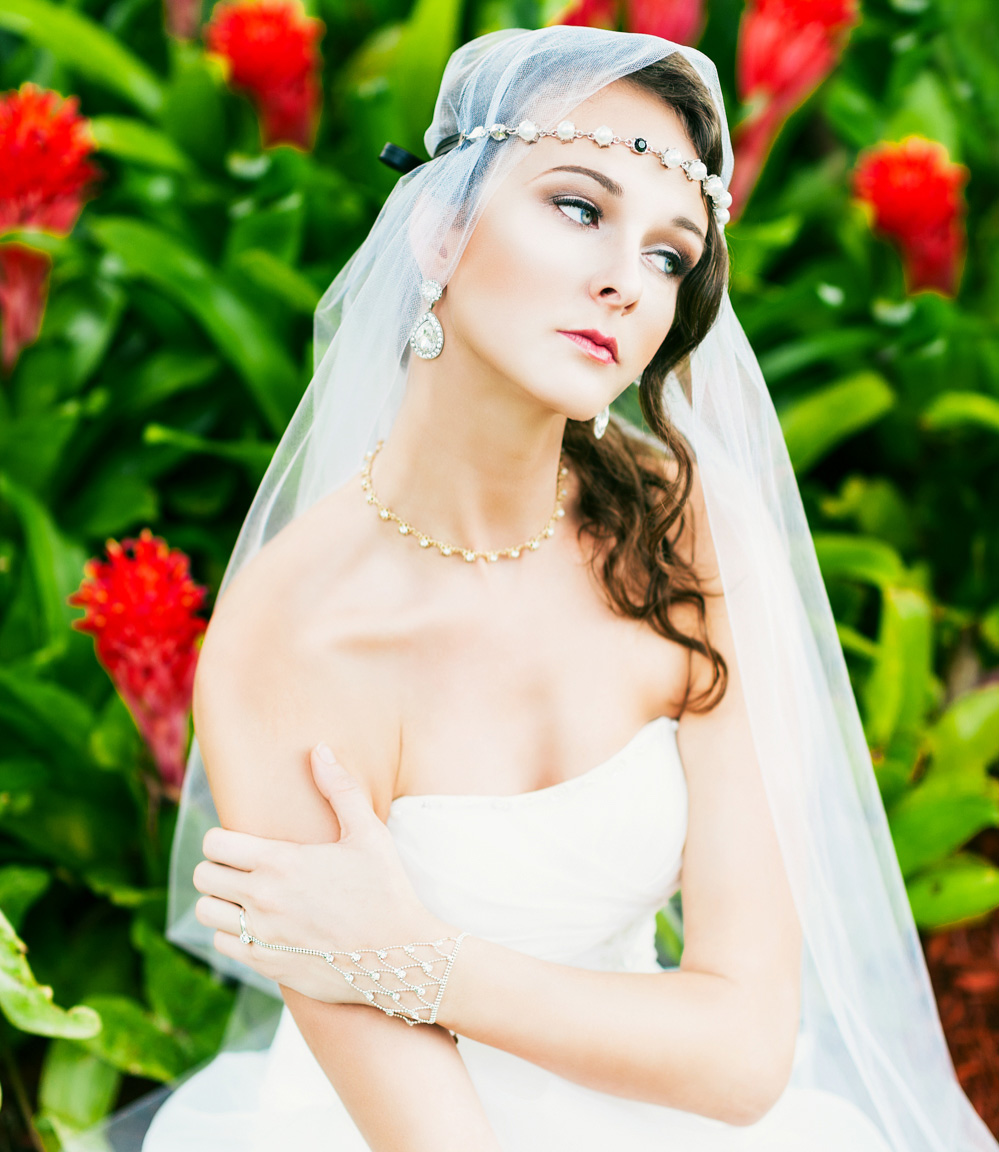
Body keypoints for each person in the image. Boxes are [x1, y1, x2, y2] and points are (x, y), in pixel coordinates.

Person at [74, 25, 997, 1152]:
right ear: (441, 224)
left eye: (670, 255)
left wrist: (416, 958)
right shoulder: (297, 636)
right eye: (577, 206)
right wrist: (386, 966)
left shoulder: (684, 530)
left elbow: (749, 1052)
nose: (625, 280)